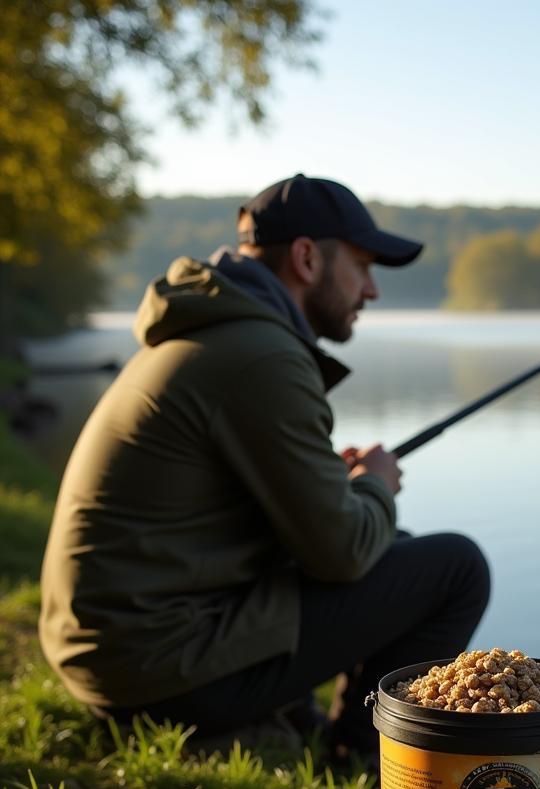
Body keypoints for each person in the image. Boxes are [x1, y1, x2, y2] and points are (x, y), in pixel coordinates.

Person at [38, 174, 491, 758]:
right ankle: (356, 762)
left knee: (395, 545)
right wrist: (377, 485)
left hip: (117, 653)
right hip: (155, 671)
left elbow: (245, 503)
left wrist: (336, 483)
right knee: (456, 568)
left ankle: (323, 732)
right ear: (306, 258)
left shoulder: (216, 333)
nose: (372, 290)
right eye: (362, 265)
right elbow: (342, 552)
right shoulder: (263, 356)